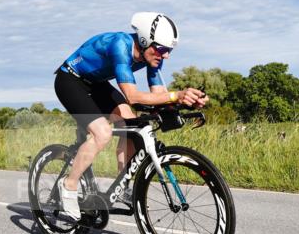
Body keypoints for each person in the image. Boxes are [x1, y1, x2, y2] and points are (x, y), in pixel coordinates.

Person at [53, 12, 208, 219]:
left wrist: (183, 100)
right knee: (102, 133)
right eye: (162, 49)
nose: (166, 55)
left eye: (169, 50)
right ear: (144, 41)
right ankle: (69, 185)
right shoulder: (120, 45)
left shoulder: (152, 55)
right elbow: (133, 96)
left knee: (133, 125)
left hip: (97, 84)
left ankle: (121, 186)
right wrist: (176, 95)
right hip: (70, 80)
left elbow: (160, 95)